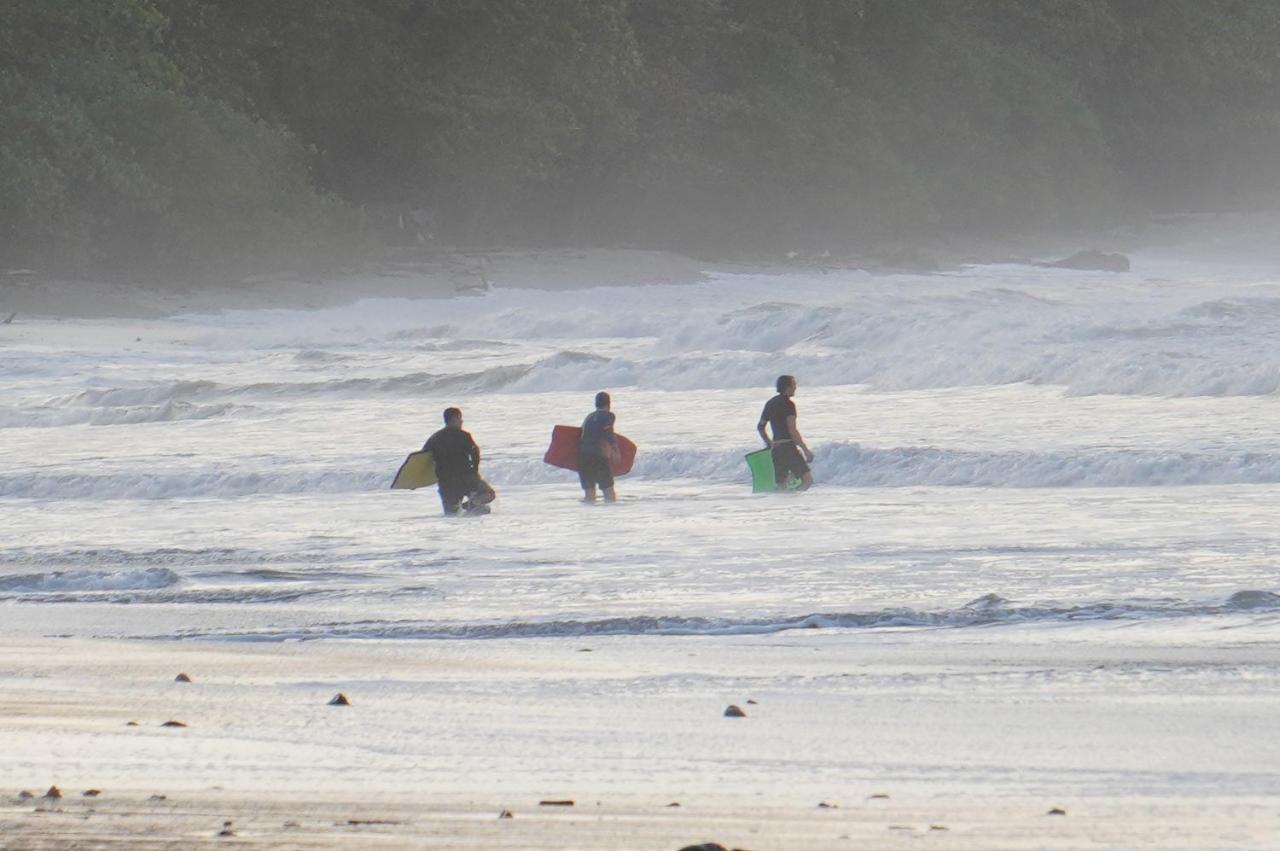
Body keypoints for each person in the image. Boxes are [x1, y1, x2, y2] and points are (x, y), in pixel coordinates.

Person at [422, 407, 496, 515]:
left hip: (446, 482)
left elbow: (423, 457)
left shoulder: (435, 438)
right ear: (455, 418)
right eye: (460, 418)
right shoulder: (464, 436)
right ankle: (470, 505)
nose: (462, 421)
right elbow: (475, 453)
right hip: (466, 478)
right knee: (489, 494)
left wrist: (416, 481)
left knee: (451, 514)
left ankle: (464, 512)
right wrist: (474, 471)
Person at [757, 374, 814, 490]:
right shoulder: (789, 405)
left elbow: (760, 427)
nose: (795, 387)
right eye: (794, 384)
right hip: (788, 448)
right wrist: (805, 450)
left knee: (782, 485)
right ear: (787, 387)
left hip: (777, 450)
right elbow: (792, 431)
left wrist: (769, 443)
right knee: (807, 481)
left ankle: (784, 504)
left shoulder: (770, 403)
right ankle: (795, 502)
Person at [578, 391, 619, 503]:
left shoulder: (589, 417)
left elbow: (580, 435)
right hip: (598, 456)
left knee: (589, 496)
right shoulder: (609, 415)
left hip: (583, 458)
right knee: (609, 494)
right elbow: (608, 432)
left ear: (596, 404)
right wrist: (615, 451)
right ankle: (609, 517)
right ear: (609, 404)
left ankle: (590, 518)